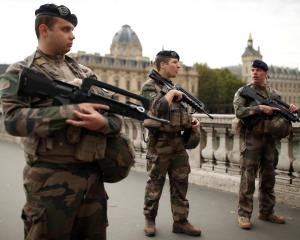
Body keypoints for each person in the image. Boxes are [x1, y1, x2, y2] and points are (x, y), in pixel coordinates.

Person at [0, 4, 122, 239]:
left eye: (73, 29)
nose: (72, 35)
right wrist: (69, 112)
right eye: (66, 29)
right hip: (49, 181)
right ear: (44, 30)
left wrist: (103, 124)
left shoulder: (85, 74)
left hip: (91, 180)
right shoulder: (19, 72)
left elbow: (115, 115)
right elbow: (12, 121)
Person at [141, 50, 201, 237]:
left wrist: (190, 122)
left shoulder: (172, 86)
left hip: (177, 144)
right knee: (155, 184)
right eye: (175, 62)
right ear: (162, 65)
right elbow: (156, 109)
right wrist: (170, 94)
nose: (179, 66)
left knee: (181, 184)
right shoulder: (149, 87)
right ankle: (150, 219)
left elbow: (177, 114)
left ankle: (181, 221)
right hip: (159, 143)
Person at [233, 59, 297, 229]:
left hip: (269, 140)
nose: (254, 73)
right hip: (252, 138)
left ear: (265, 73)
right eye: (253, 70)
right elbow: (239, 112)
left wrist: (288, 110)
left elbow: (280, 116)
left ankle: (267, 211)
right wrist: (259, 109)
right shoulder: (244, 91)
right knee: (248, 178)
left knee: (269, 178)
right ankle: (244, 215)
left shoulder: (274, 94)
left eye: (258, 70)